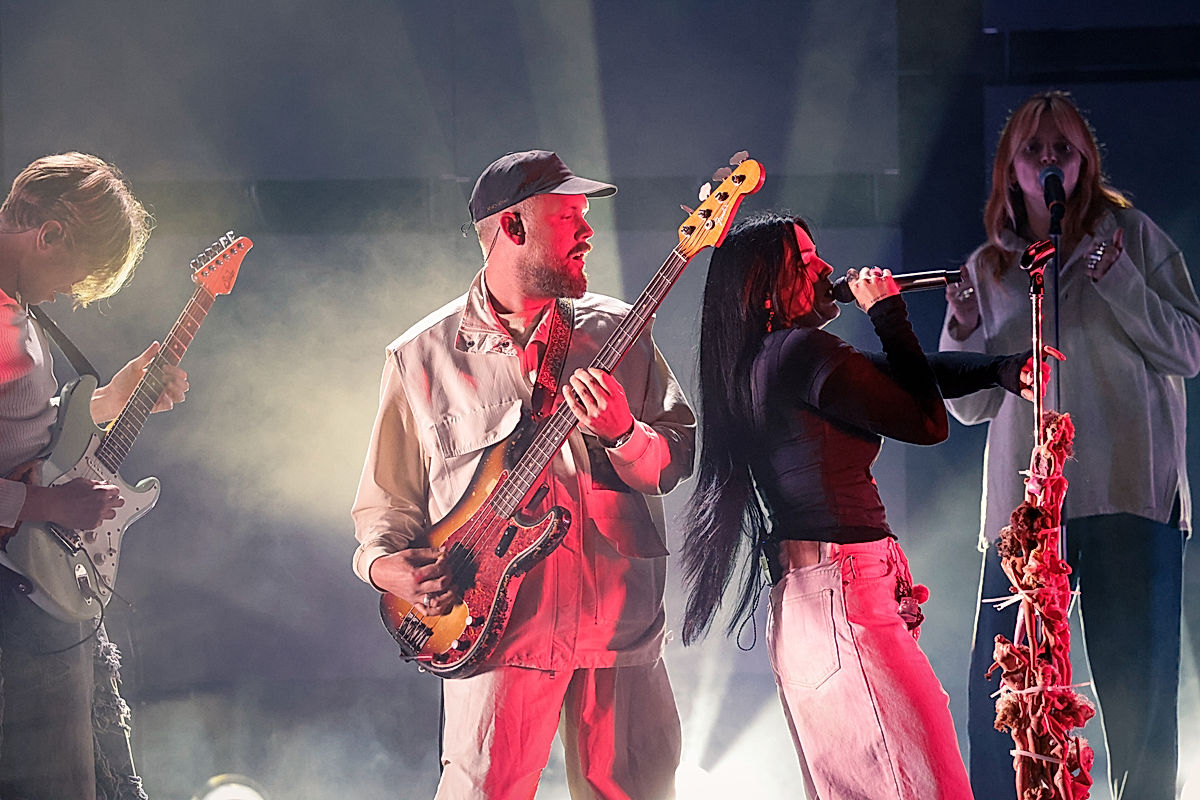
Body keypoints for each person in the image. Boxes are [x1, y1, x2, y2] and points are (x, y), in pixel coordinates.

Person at [351, 149, 695, 799]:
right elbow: (384, 510)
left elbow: (677, 456)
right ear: (512, 228)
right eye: (570, 217)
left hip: (618, 630)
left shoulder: (623, 330)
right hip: (495, 631)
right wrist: (384, 567)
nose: (589, 232)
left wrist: (625, 433)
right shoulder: (420, 357)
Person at [679, 211, 1047, 799]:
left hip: (811, 605)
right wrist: (887, 313)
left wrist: (1000, 369)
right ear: (766, 289)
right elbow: (927, 421)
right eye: (805, 261)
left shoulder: (766, 360)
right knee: (930, 786)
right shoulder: (797, 351)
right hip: (844, 600)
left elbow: (899, 378)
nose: (826, 269)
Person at [940, 90, 1200, 800]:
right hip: (1026, 513)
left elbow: (1189, 349)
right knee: (1006, 699)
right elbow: (969, 408)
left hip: (1128, 494)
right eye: (1034, 151)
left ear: (1086, 161)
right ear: (1010, 169)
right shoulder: (991, 268)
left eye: (1063, 150)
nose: (1049, 162)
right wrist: (961, 329)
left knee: (1140, 701)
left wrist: (1115, 277)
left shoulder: (1134, 238)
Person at [0, 152, 189, 800]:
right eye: (72, 275)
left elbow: (28, 425)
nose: (69, 294)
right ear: (48, 234)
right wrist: (47, 506)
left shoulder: (20, 308)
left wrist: (110, 401)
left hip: (34, 584)